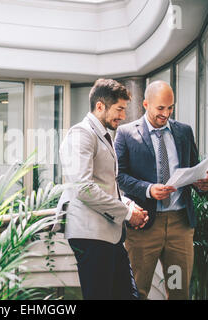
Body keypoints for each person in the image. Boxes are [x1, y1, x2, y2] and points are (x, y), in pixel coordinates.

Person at [114, 80, 208, 300]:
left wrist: (202, 184)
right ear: (146, 104)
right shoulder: (126, 133)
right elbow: (118, 176)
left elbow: (193, 169)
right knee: (138, 291)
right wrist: (149, 189)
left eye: (170, 108)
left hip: (180, 227)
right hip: (143, 227)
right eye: (160, 108)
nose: (166, 114)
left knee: (178, 290)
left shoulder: (184, 132)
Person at [55, 78, 148, 300]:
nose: (123, 116)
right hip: (91, 236)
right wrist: (127, 214)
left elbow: (104, 185)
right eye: (119, 109)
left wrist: (128, 204)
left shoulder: (102, 135)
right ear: (100, 106)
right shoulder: (81, 134)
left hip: (108, 235)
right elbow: (83, 188)